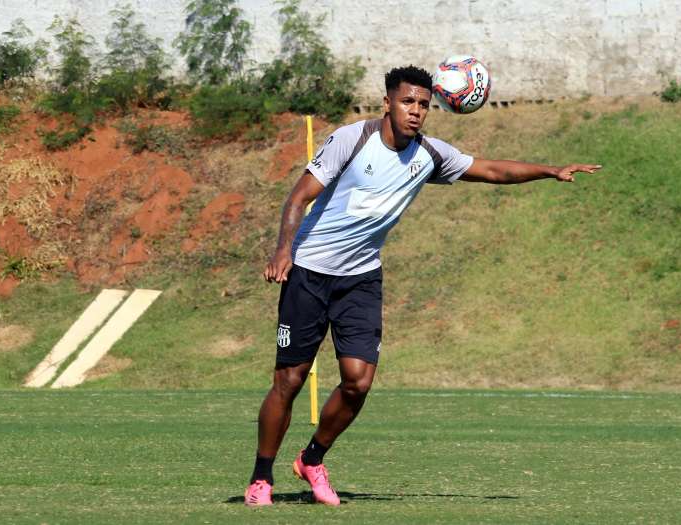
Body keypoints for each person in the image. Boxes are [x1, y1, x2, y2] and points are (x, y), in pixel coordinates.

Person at [244, 65, 602, 507]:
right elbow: (298, 197)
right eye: (408, 102)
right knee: (290, 379)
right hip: (310, 272)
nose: (416, 112)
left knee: (357, 383)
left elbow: (490, 169)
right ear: (387, 104)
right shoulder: (351, 140)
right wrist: (283, 251)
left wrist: (551, 170)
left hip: (360, 279)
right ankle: (261, 478)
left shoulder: (428, 155)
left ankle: (312, 459)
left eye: (424, 106)